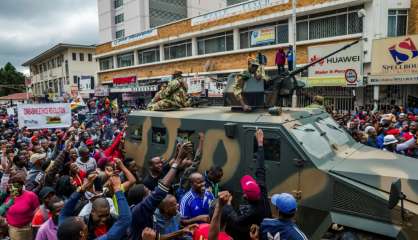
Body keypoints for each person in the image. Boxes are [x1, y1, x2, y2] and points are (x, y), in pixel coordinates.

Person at [129, 143, 192, 240]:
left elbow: (157, 237)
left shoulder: (147, 214)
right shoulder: (138, 212)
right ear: (142, 200)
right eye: (148, 192)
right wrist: (179, 159)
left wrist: (177, 154)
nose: (152, 192)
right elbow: (160, 191)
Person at [225, 129, 271, 239]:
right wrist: (260, 144)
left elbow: (237, 220)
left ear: (245, 195)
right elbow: (261, 168)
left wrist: (228, 205)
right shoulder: (262, 189)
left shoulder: (252, 212)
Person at [59, 174, 132, 240]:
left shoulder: (63, 231)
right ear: (82, 234)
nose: (81, 217)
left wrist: (82, 188)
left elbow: (63, 213)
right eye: (84, 225)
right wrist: (117, 189)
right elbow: (125, 220)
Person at [6, 170, 40, 240]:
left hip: (27, 229)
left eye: (15, 186)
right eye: (11, 186)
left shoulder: (31, 196)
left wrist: (32, 223)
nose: (13, 189)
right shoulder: (8, 196)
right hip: (13, 230)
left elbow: (37, 210)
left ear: (21, 186)